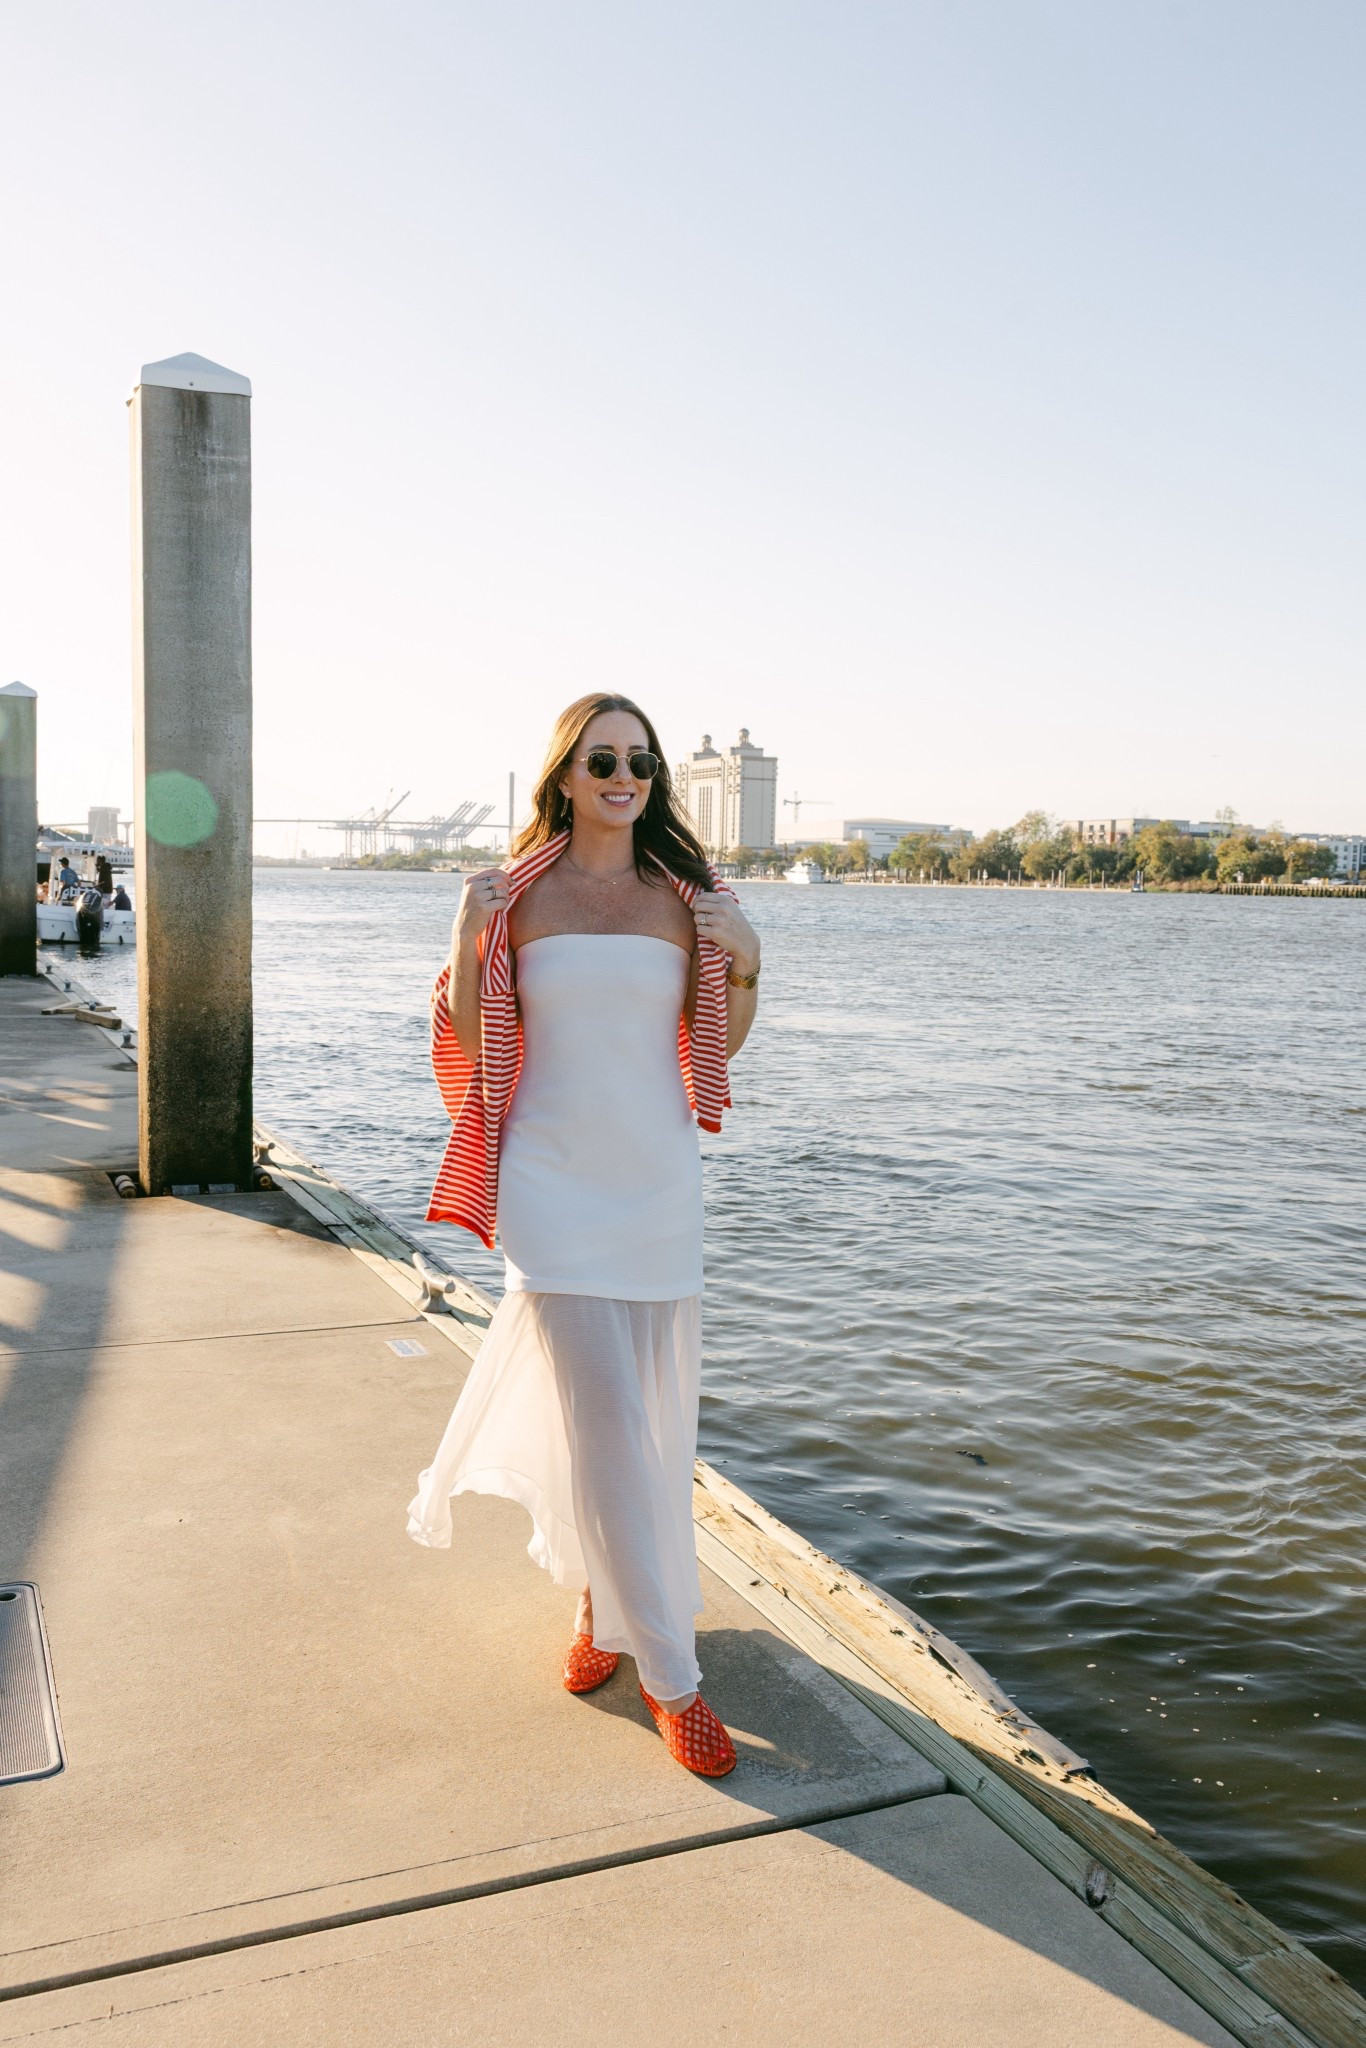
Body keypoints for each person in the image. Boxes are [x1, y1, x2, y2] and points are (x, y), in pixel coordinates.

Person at [409, 694, 762, 1777]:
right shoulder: (515, 894)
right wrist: (464, 940)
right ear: (564, 773)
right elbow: (475, 1043)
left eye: (641, 763)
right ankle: (671, 1677)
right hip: (549, 1186)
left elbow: (714, 1047)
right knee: (608, 1420)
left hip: (656, 1183)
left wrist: (747, 959)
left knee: (643, 1420)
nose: (624, 778)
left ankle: (596, 1600)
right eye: (603, 760)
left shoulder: (690, 897)